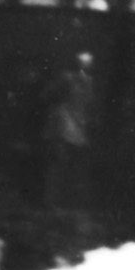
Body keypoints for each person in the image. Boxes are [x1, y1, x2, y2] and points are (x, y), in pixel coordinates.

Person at [40, 50, 94, 211]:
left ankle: (64, 201)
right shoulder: (65, 77)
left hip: (77, 123)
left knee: (70, 163)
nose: (84, 65)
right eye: (82, 61)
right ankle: (50, 201)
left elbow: (87, 101)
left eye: (88, 62)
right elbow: (47, 95)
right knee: (57, 160)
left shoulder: (88, 81)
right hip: (62, 121)